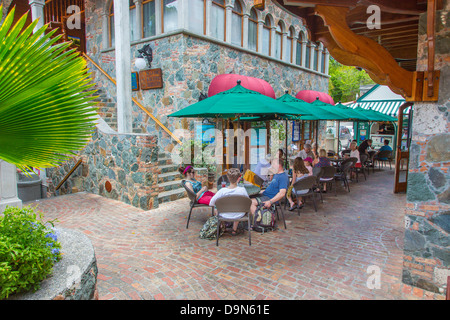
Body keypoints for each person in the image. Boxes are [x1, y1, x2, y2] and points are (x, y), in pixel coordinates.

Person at [209, 168, 249, 236]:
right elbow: (247, 203)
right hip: (239, 215)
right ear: (238, 178)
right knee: (238, 207)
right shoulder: (242, 190)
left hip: (224, 214)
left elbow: (211, 203)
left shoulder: (222, 191)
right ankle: (234, 230)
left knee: (216, 208)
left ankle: (222, 227)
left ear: (228, 178)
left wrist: (216, 208)